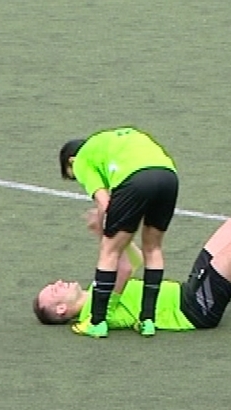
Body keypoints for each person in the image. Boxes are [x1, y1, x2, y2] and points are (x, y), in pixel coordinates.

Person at [33, 218, 231, 335]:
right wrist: (107, 235)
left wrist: (109, 238)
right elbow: (122, 268)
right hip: (194, 311)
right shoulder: (92, 312)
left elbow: (131, 260)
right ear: (61, 309)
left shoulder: (97, 288)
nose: (58, 283)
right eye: (54, 290)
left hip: (187, 292)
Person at [59, 126, 179, 338]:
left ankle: (96, 322)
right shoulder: (109, 141)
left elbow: (105, 203)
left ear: (71, 161)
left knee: (110, 249)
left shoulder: (82, 159)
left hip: (135, 180)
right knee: (153, 247)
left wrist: (101, 225)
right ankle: (147, 320)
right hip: (169, 175)